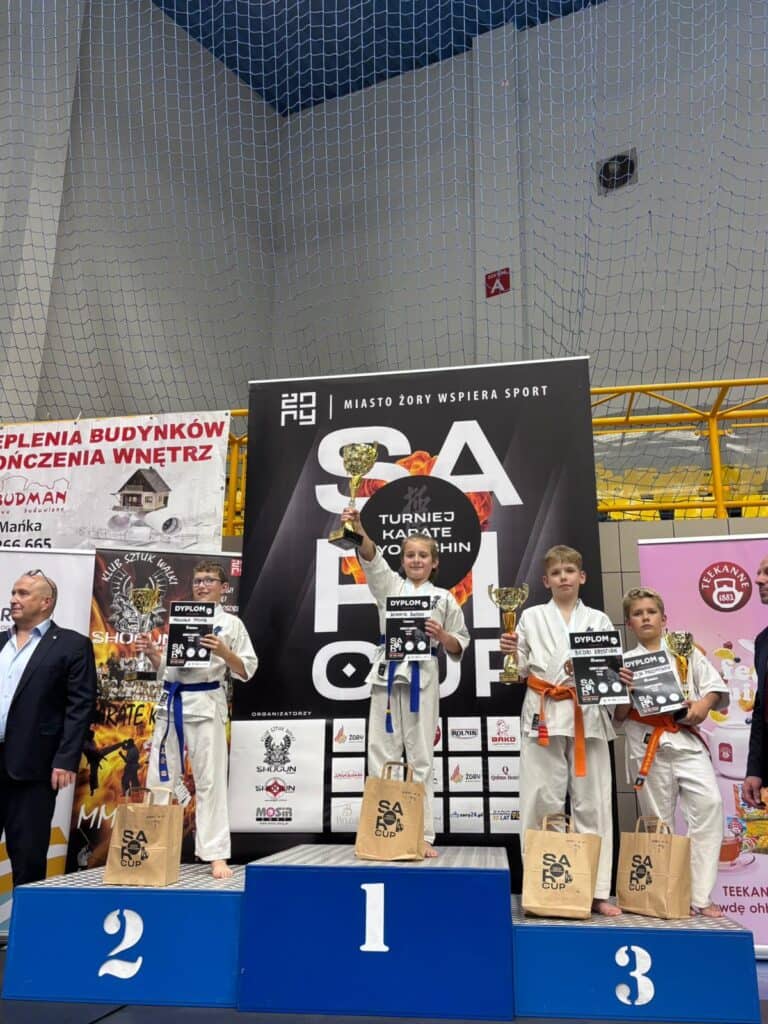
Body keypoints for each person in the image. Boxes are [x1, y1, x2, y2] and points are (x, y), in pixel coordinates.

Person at [500, 544, 622, 915]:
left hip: (587, 714)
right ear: (546, 581)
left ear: (581, 577)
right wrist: (510, 651)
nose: (563, 577)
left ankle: (597, 890)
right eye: (556, 573)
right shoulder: (530, 616)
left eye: (569, 571)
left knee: (593, 802)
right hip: (544, 712)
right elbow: (520, 670)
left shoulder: (598, 620)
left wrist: (612, 677)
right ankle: (543, 885)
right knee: (540, 801)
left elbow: (607, 670)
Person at [342, 508, 470, 858]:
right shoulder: (391, 586)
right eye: (410, 554)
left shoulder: (444, 598)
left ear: (434, 562)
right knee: (380, 754)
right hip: (386, 674)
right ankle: (382, 830)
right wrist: (359, 528)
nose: (416, 560)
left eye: (423, 555)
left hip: (422, 678)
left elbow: (459, 643)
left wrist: (442, 637)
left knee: (421, 757)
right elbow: (371, 558)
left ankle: (421, 834)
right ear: (402, 560)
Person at [135, 561, 258, 878]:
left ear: (223, 587)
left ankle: (215, 855)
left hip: (206, 704)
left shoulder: (231, 624)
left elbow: (246, 670)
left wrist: (225, 653)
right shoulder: (179, 618)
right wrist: (152, 654)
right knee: (159, 779)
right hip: (171, 702)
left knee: (210, 781)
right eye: (197, 581)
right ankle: (151, 849)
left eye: (209, 580)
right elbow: (167, 669)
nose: (201, 586)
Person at [615, 587, 728, 917]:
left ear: (664, 618)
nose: (645, 618)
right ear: (629, 624)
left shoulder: (685, 650)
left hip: (686, 740)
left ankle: (700, 895)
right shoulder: (624, 664)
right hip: (647, 742)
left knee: (710, 805)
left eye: (651, 612)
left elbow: (713, 688)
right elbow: (618, 716)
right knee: (658, 822)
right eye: (638, 614)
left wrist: (703, 706)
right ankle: (664, 894)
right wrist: (624, 690)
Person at [0, 569, 96, 886]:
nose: (14, 599)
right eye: (13, 592)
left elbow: (80, 706)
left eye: (23, 593)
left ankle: (27, 920)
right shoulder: (1, 641)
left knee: (27, 856)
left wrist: (66, 758)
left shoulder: (72, 645)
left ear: (46, 602)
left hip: (33, 767)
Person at [742, 555, 768, 809]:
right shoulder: (762, 641)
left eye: (767, 572)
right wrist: (755, 769)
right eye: (759, 572)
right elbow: (761, 710)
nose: (758, 579)